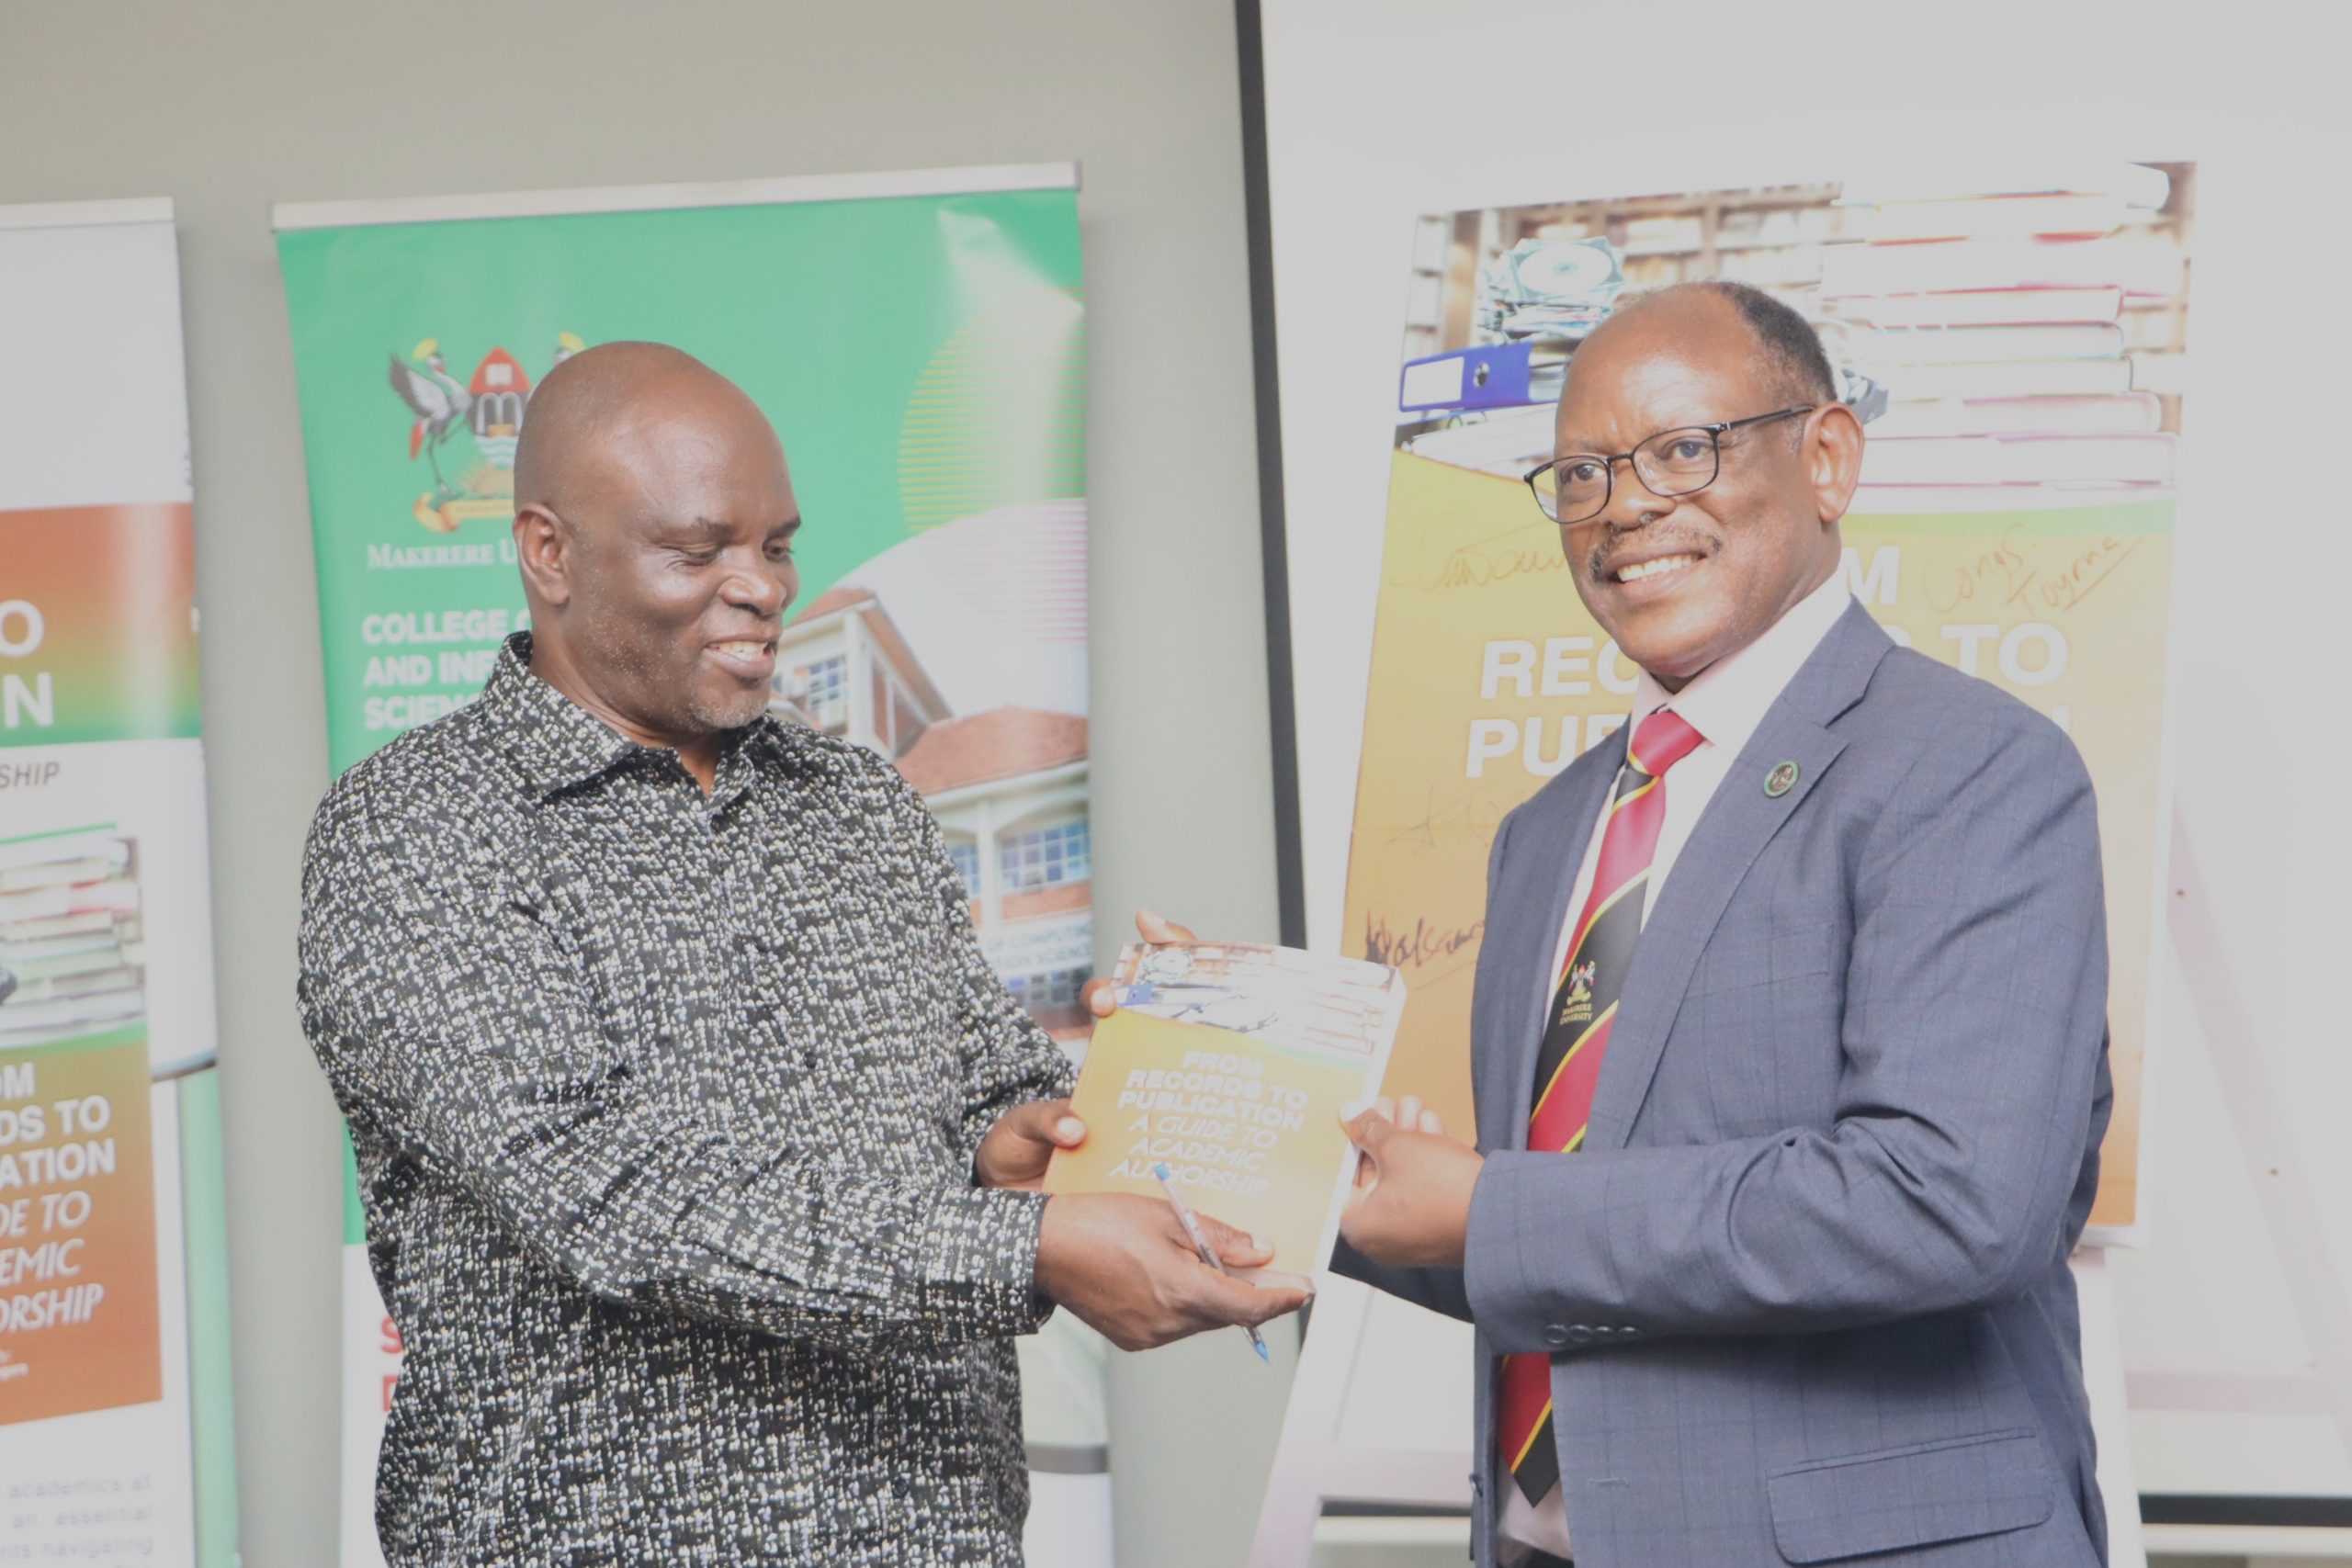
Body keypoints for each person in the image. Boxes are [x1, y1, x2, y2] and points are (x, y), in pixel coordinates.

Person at [297, 341, 1309, 1566]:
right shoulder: (416, 827)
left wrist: (1095, 1117)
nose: (761, 587)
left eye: (775, 546)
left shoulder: (858, 802)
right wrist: (1023, 1250)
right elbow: (605, 1197)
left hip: (933, 1535)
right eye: (699, 549)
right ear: (547, 551)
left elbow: (986, 1090)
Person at [1206, 281, 2108, 1567]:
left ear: (1829, 457)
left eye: (1686, 449)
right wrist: (1259, 1137)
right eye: (1580, 473)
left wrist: (1492, 1208)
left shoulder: (1971, 769)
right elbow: (1558, 1242)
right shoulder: (1548, 829)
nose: (1625, 506)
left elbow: (1950, 1200)